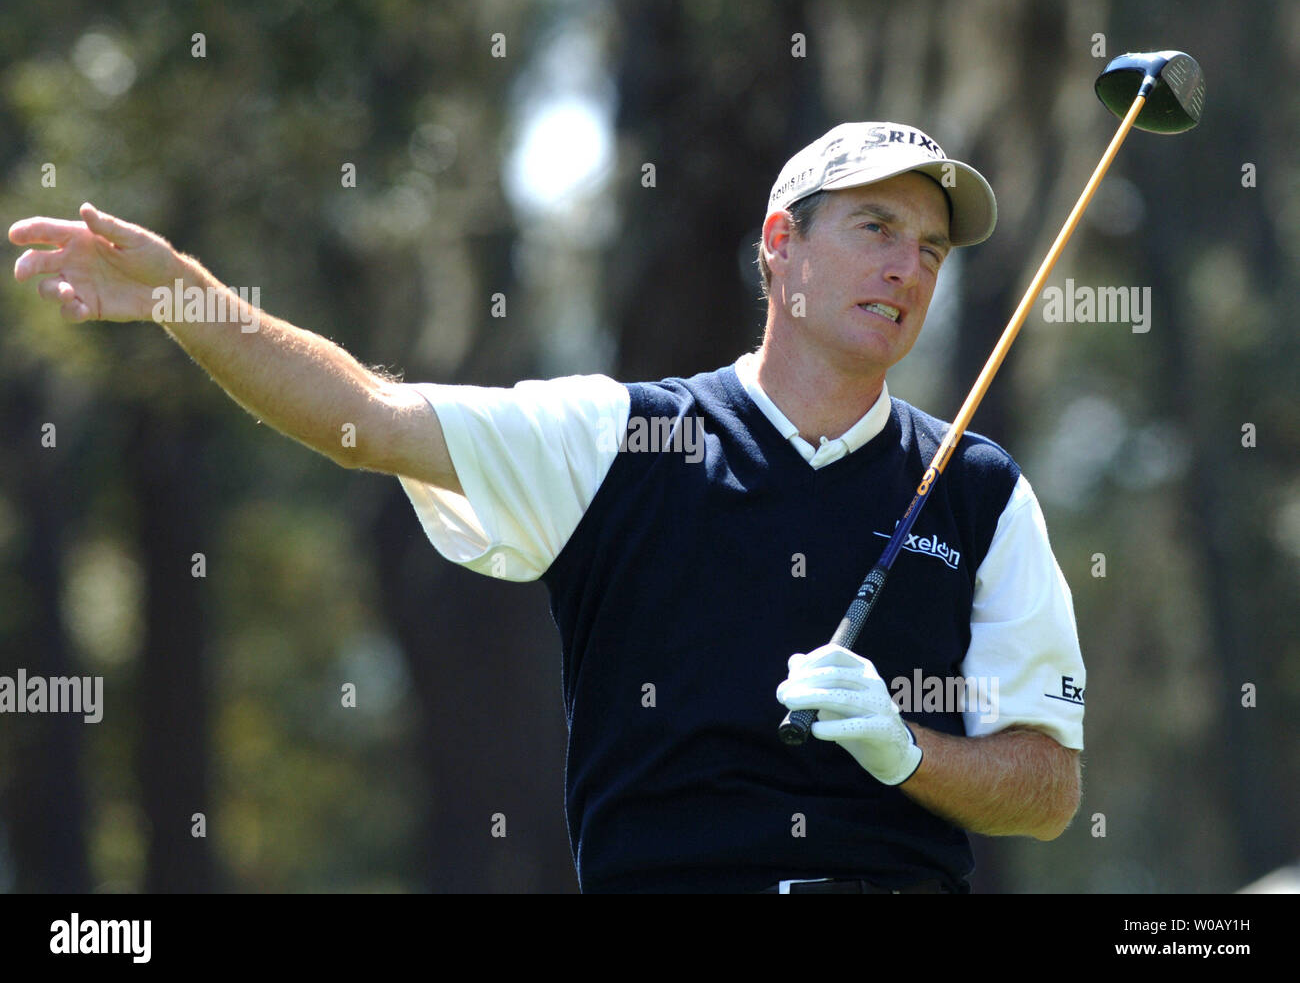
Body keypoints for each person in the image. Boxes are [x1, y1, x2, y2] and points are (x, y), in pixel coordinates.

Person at [10, 120, 1085, 895]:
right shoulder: (618, 438)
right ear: (780, 245)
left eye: (930, 248)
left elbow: (1045, 782)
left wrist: (906, 750)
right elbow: (367, 416)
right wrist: (183, 298)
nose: (906, 267)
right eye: (874, 227)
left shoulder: (978, 488)